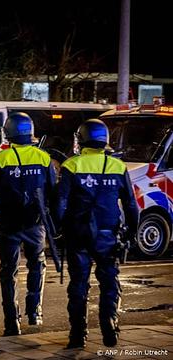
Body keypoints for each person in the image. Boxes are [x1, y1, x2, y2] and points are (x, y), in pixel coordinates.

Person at [55, 119, 139, 348]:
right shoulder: (118, 167)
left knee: (79, 284)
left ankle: (77, 335)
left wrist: (59, 230)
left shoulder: (72, 166)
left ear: (81, 139)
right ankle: (109, 326)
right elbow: (131, 205)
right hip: (108, 235)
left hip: (78, 234)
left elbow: (61, 204)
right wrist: (131, 232)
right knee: (110, 283)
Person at [0, 112, 56, 336]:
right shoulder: (43, 157)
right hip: (35, 224)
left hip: (9, 225)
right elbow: (53, 192)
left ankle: (11, 321)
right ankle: (34, 309)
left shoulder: (1, 159)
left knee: (8, 272)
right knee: (37, 265)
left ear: (8, 133)